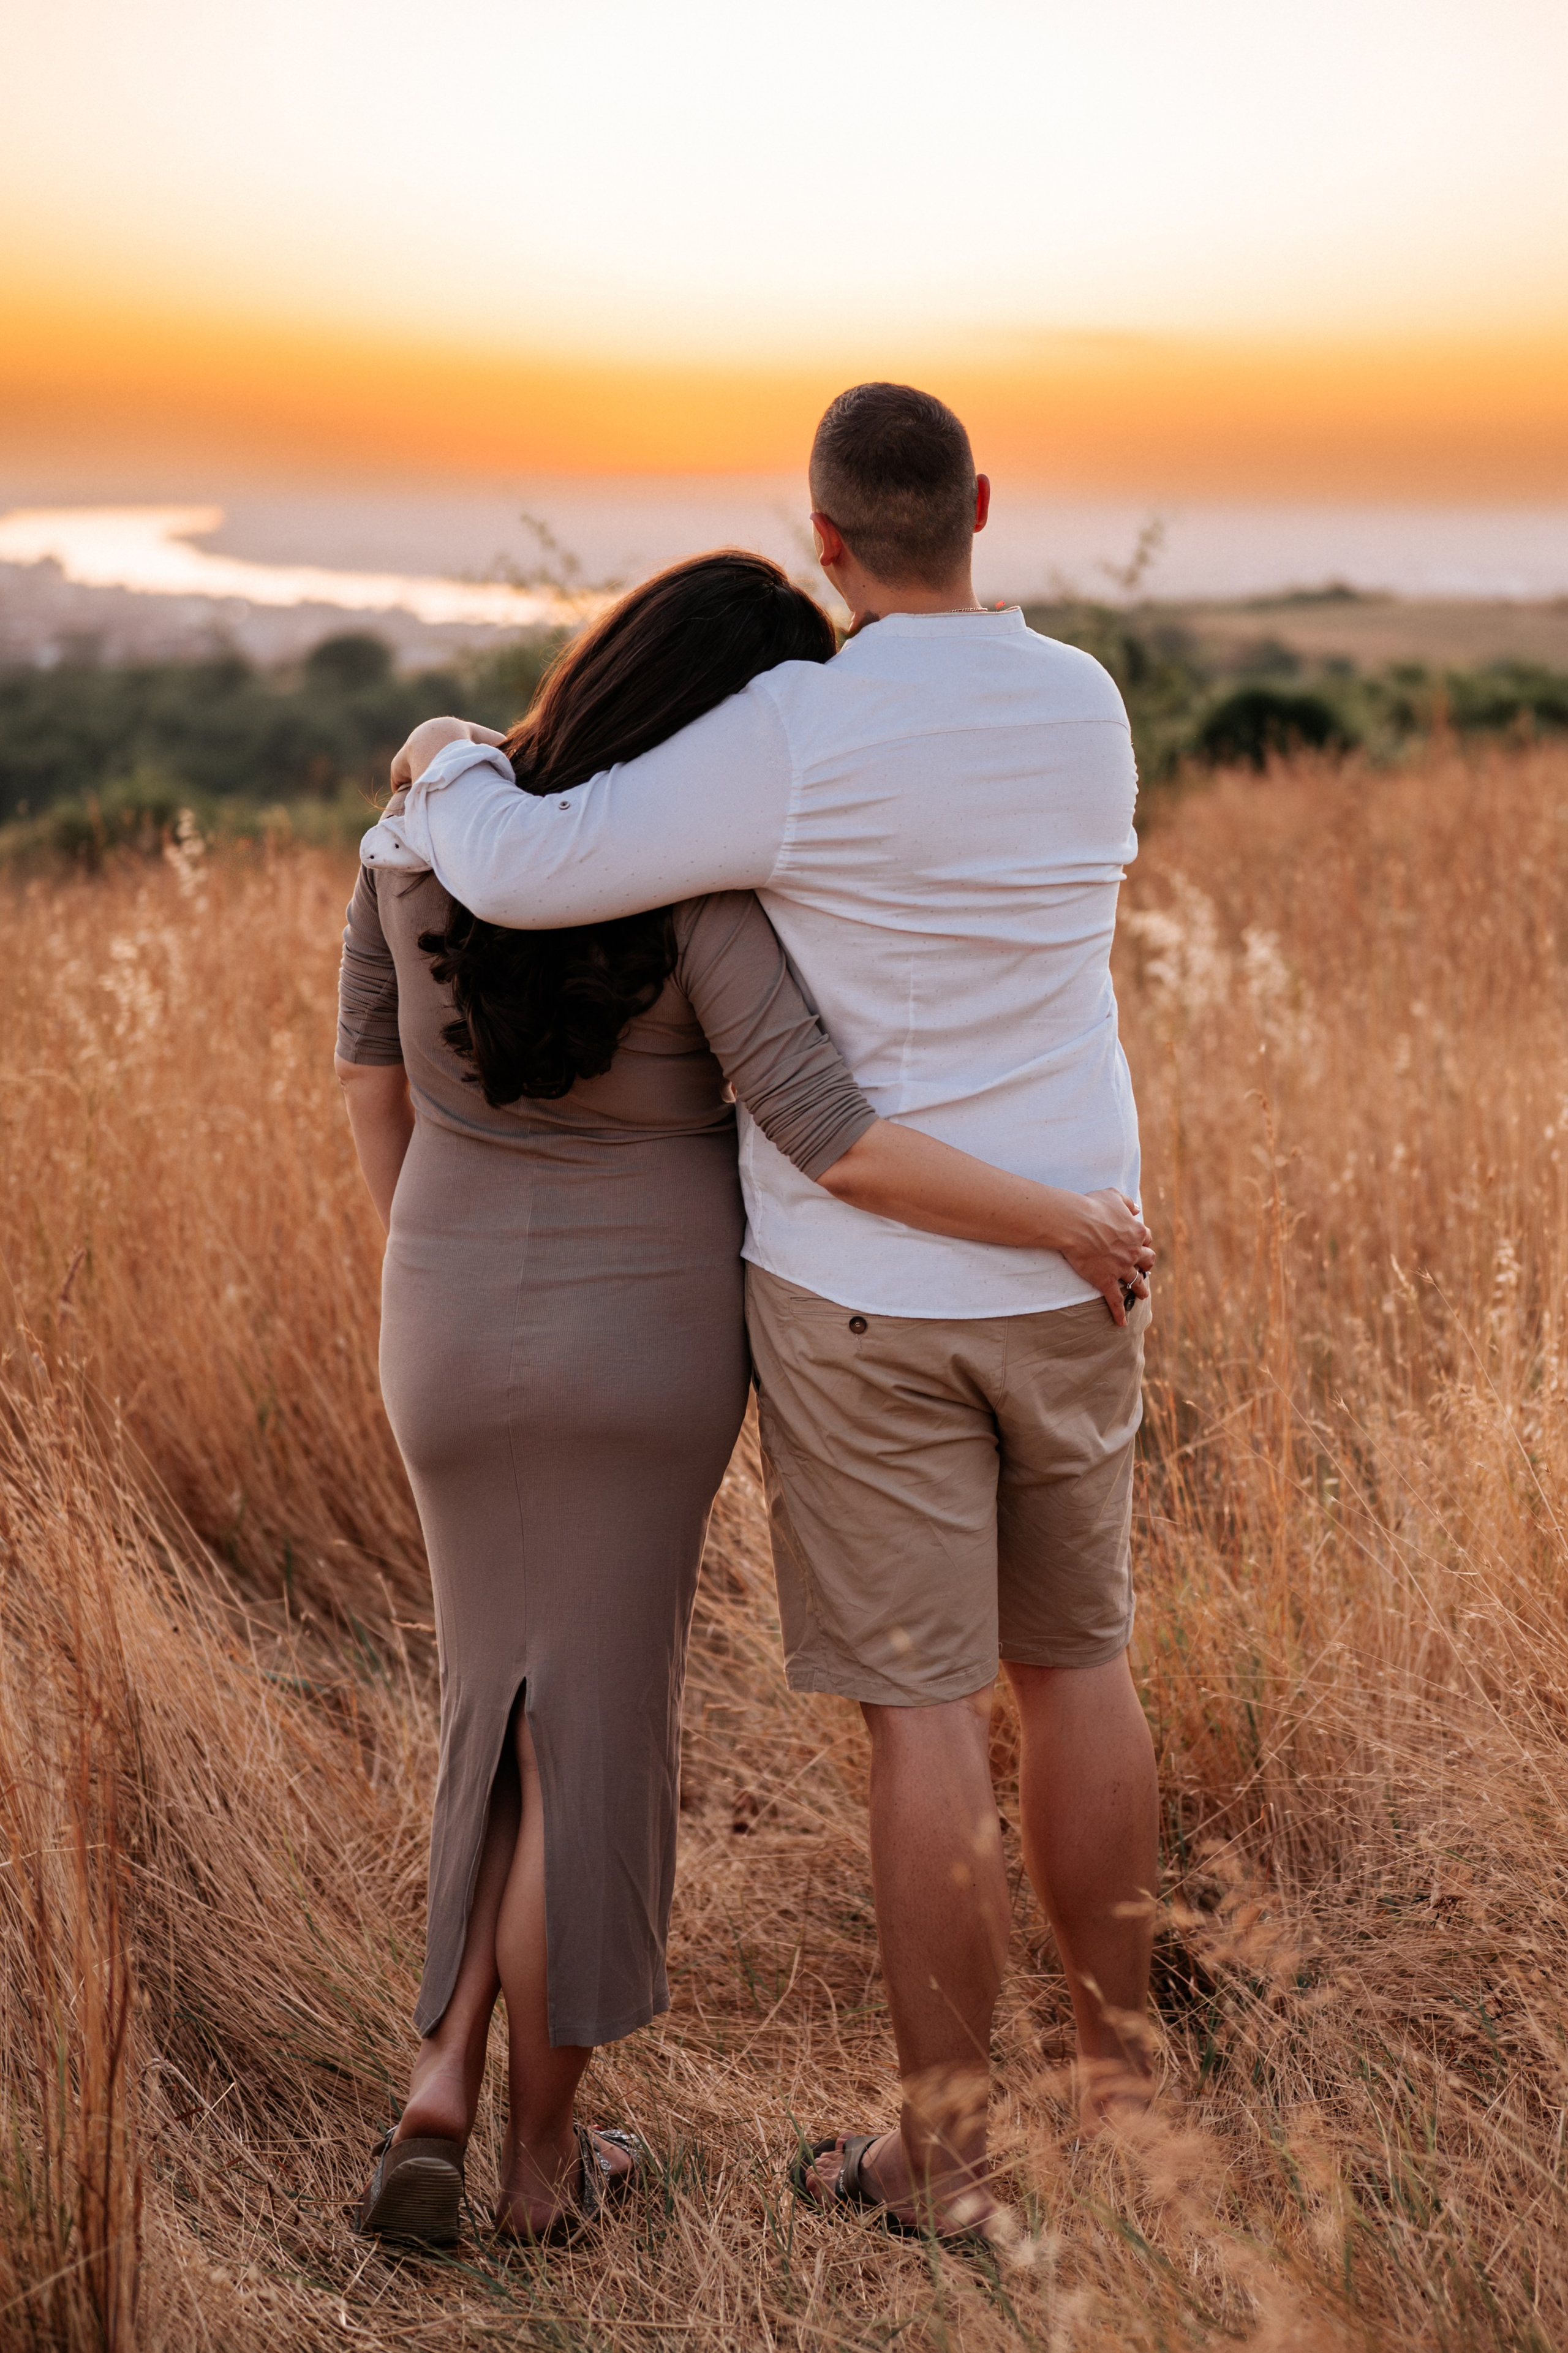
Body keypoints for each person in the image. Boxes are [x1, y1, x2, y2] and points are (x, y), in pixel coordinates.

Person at [341, 547, 1153, 2246]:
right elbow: (819, 1120)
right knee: (596, 1742)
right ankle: (547, 2171)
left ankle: (435, 2084)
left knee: (485, 1706)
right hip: (650, 1348)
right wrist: (1068, 1216)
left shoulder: (410, 852)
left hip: (445, 1311)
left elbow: (373, 1098)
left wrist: (444, 1263)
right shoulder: (712, 905)